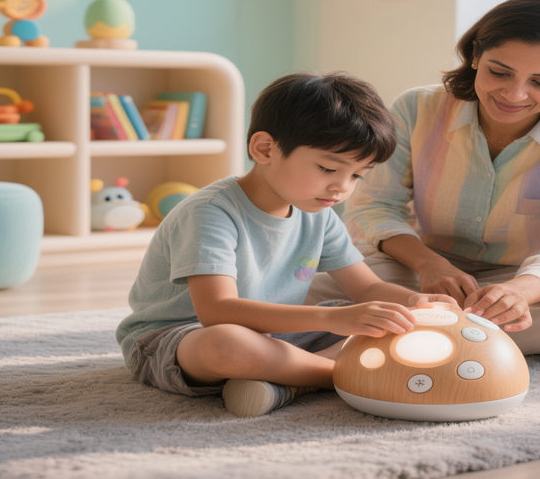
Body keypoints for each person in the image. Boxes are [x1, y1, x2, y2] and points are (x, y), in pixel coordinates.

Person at [305, 0, 540, 356]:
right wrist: (430, 264)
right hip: (418, 269)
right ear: (476, 55)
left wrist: (519, 292)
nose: (514, 93)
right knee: (306, 292)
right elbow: (372, 208)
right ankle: (458, 345)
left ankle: (341, 356)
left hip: (527, 280)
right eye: (499, 72)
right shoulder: (416, 109)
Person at [115, 72, 456, 418]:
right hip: (178, 339)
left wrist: (417, 303)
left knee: (392, 323)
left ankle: (287, 380)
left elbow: (367, 287)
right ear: (265, 149)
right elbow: (216, 311)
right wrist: (335, 318)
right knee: (227, 343)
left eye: (356, 175)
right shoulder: (211, 211)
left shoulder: (318, 212)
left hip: (277, 337)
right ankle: (342, 374)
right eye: (327, 168)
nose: (341, 188)